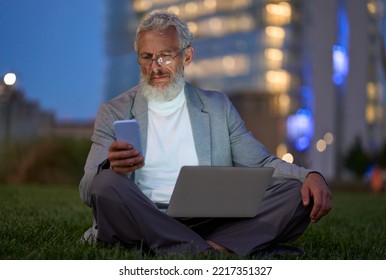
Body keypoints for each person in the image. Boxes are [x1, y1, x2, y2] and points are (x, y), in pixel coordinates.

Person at [79, 11, 332, 257]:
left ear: (187, 56)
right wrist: (112, 168)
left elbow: (262, 163)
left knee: (296, 192)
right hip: (141, 213)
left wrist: (309, 175)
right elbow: (88, 188)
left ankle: (180, 247)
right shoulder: (114, 111)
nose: (155, 67)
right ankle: (215, 250)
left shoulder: (217, 106)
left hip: (209, 219)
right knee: (106, 184)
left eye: (165, 56)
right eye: (146, 57)